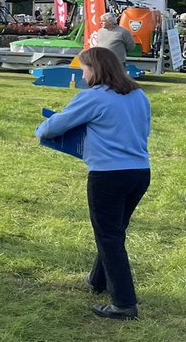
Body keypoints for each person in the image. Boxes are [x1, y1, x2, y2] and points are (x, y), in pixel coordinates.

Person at [35, 47, 150, 320]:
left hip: (108, 175)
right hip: (140, 171)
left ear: (96, 69)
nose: (82, 74)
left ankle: (124, 302)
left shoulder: (93, 97)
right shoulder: (139, 95)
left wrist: (40, 129)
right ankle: (98, 281)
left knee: (109, 236)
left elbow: (55, 126)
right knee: (113, 230)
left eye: (84, 68)